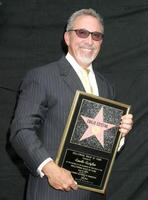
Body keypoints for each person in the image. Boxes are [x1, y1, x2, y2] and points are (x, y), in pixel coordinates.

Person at [10, 8, 133, 200]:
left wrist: (119, 134)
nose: (90, 41)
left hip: (94, 194)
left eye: (97, 35)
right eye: (82, 33)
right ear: (67, 38)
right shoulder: (42, 77)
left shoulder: (106, 86)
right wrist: (49, 169)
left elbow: (102, 146)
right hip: (52, 192)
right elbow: (21, 131)